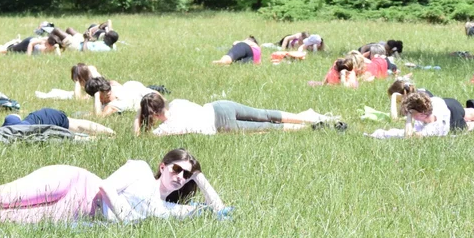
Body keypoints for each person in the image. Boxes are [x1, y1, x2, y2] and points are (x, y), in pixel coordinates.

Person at [0, 149, 226, 227]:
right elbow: (105, 187)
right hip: (77, 182)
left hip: (78, 212)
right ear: (163, 166)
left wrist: (200, 177)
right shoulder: (141, 169)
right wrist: (127, 219)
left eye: (186, 177)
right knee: (6, 196)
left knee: (7, 219)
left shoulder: (168, 209)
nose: (180, 177)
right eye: (177, 169)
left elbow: (220, 212)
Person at [135, 93, 338, 136]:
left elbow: (140, 137)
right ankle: (311, 118)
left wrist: (138, 116)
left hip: (221, 124)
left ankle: (310, 128)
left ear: (152, 114)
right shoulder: (178, 103)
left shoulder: (166, 128)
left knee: (267, 127)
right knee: (265, 114)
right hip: (219, 106)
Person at [2, 108, 115, 135]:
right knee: (76, 125)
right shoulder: (11, 123)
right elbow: (14, 114)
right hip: (44, 116)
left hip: (48, 117)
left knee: (76, 126)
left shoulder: (14, 127)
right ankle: (109, 132)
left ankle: (109, 132)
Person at [84, 76, 156, 117]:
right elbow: (112, 82)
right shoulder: (113, 86)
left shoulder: (112, 106)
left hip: (143, 98)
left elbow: (98, 117)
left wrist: (97, 97)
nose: (108, 93)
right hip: (136, 90)